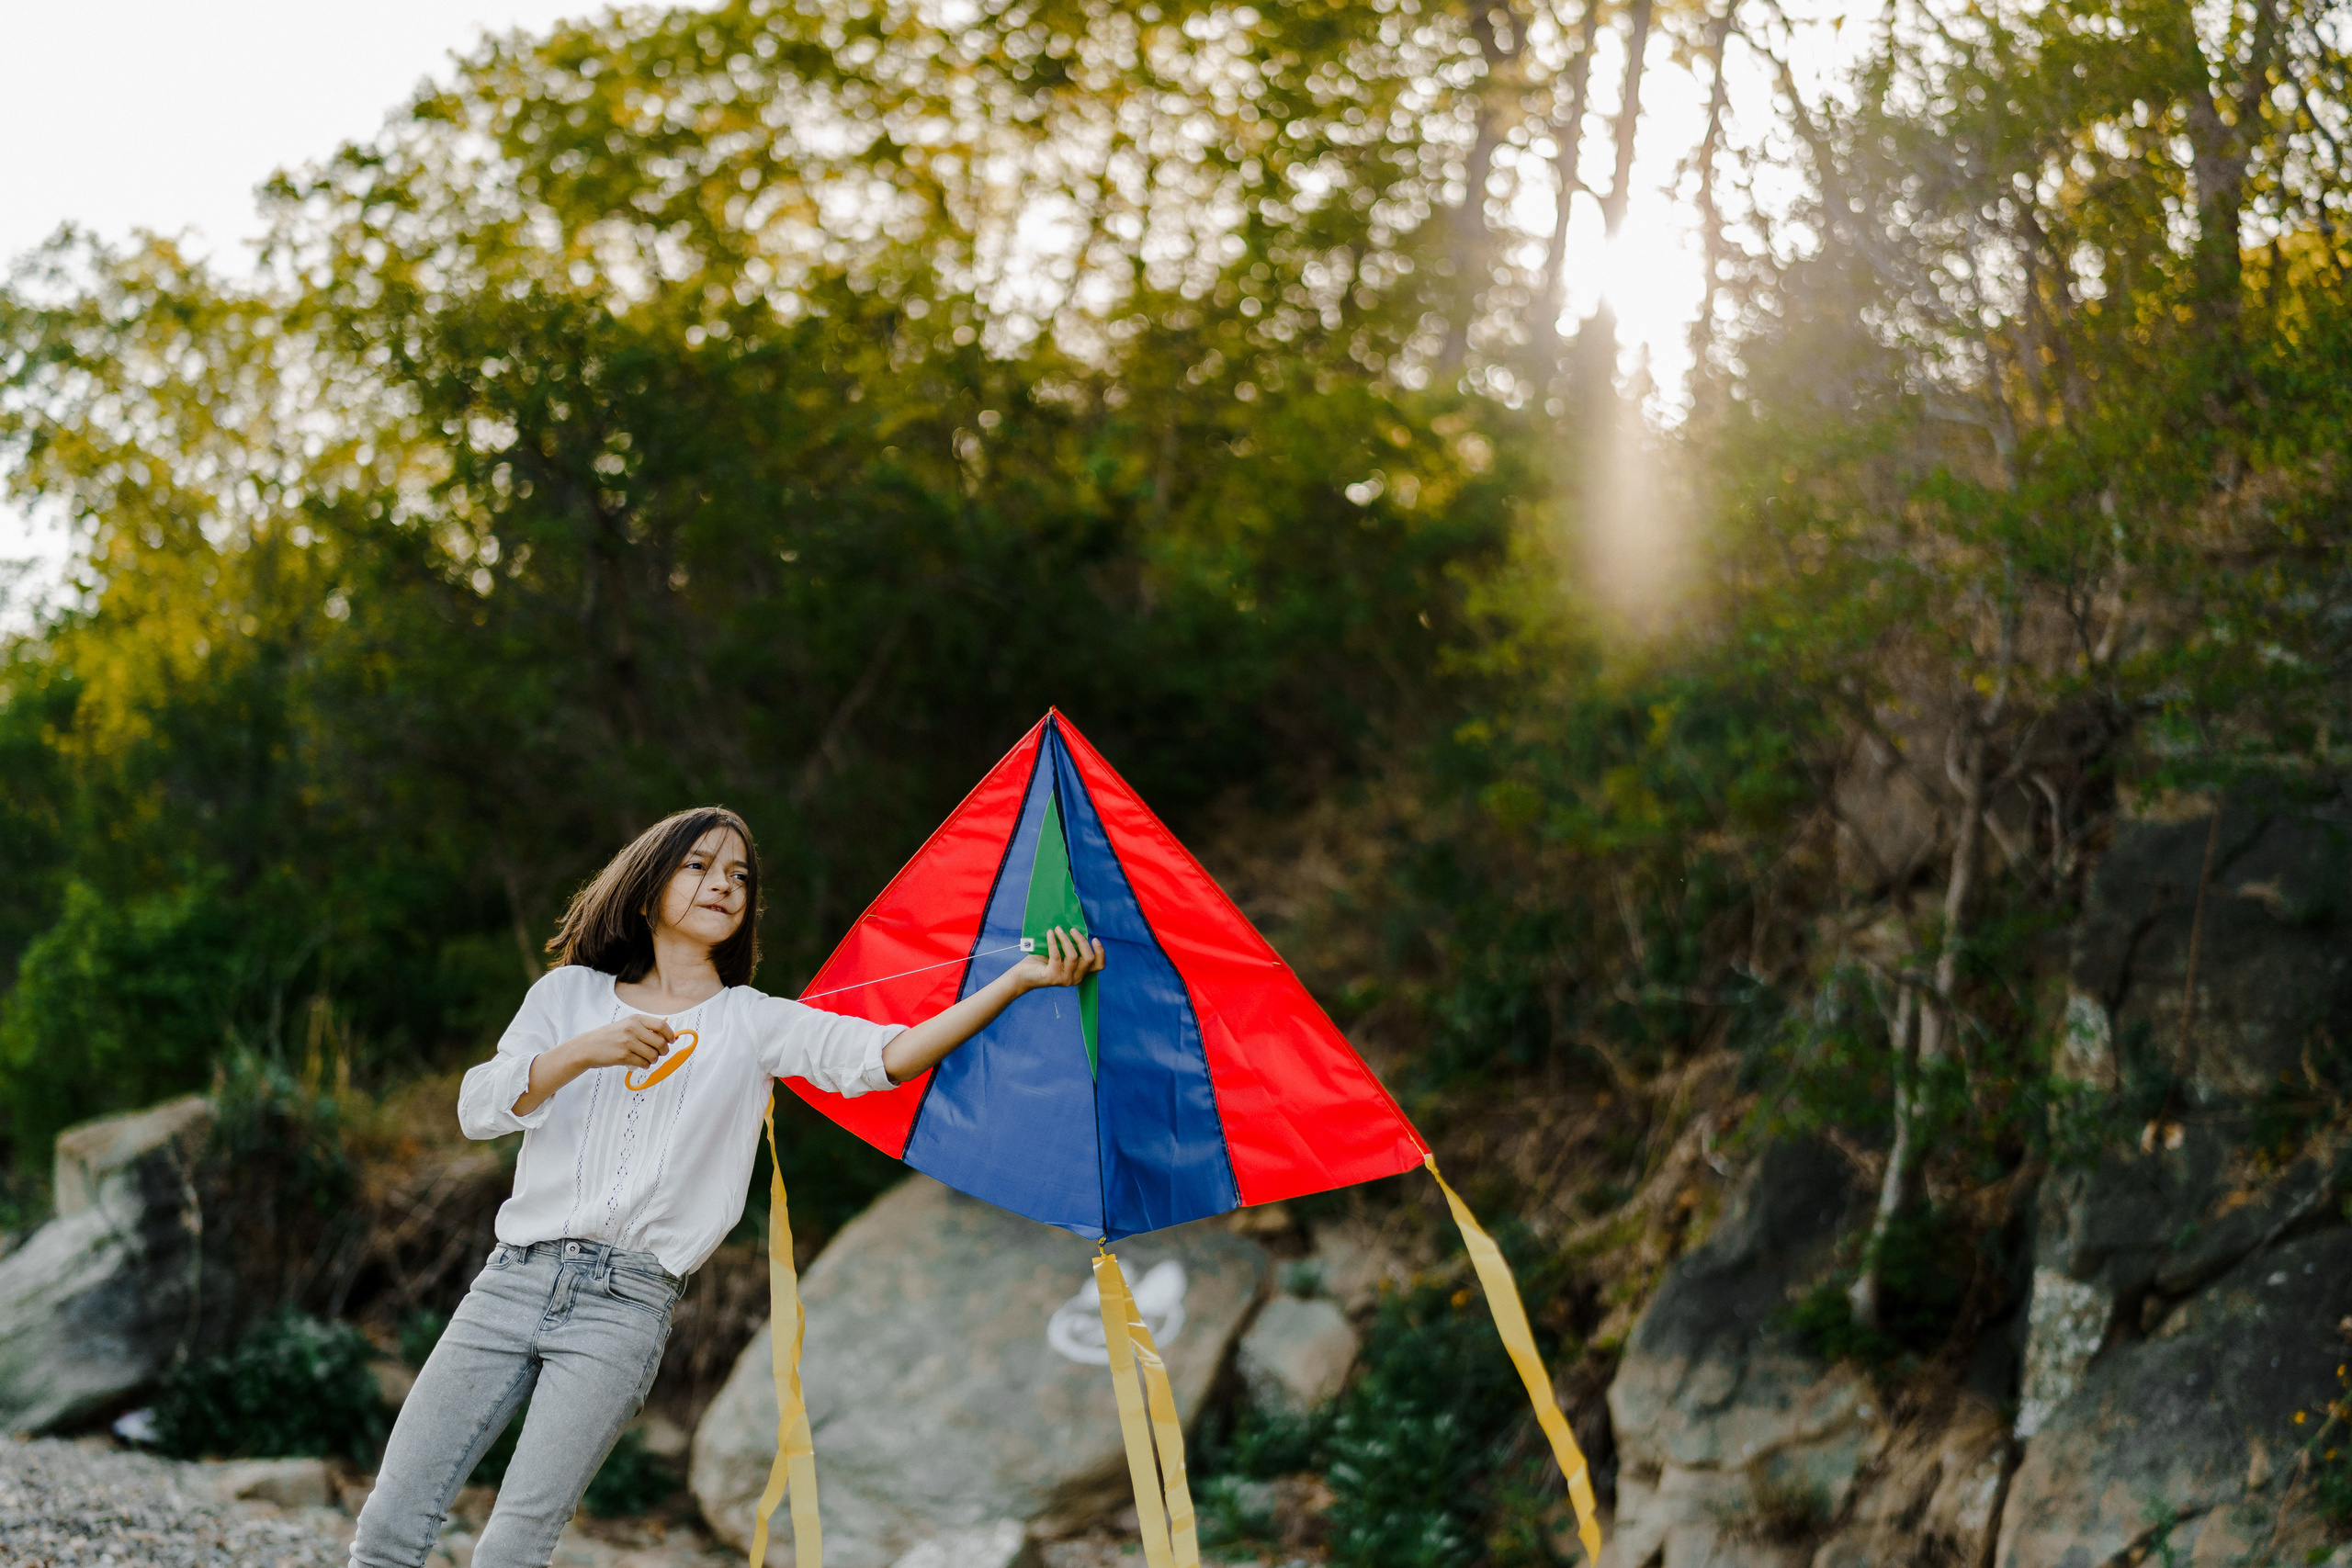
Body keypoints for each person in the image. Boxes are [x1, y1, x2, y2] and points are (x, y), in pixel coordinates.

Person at [348, 806, 1103, 1568]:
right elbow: (478, 1108)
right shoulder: (568, 998)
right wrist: (583, 1052)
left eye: (739, 875)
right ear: (647, 889)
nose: (724, 884)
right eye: (701, 866)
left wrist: (1015, 980)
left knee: (512, 1548)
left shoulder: (754, 1021)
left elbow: (891, 1056)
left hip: (625, 1307)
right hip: (511, 1280)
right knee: (390, 1522)